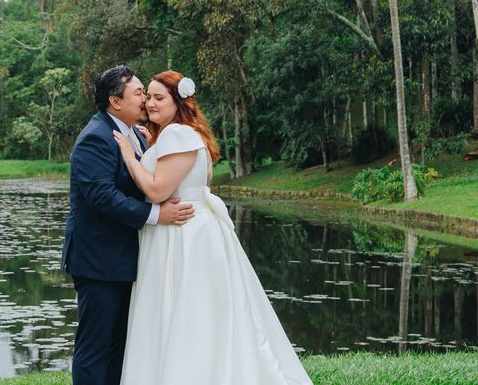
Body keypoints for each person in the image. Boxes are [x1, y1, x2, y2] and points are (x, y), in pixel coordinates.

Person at [113, 70, 312, 385]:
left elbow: (156, 191)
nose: (150, 103)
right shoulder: (176, 134)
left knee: (188, 313)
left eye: (159, 97)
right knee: (193, 313)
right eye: (148, 96)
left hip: (183, 236)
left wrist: (129, 156)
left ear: (179, 102)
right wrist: (145, 148)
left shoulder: (178, 135)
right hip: (185, 230)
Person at [61, 64, 196, 385]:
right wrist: (156, 216)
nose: (146, 101)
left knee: (121, 345)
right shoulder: (95, 138)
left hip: (127, 259)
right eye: (139, 93)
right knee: (96, 345)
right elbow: (102, 197)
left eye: (150, 95)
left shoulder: (136, 134)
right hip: (99, 261)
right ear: (115, 101)